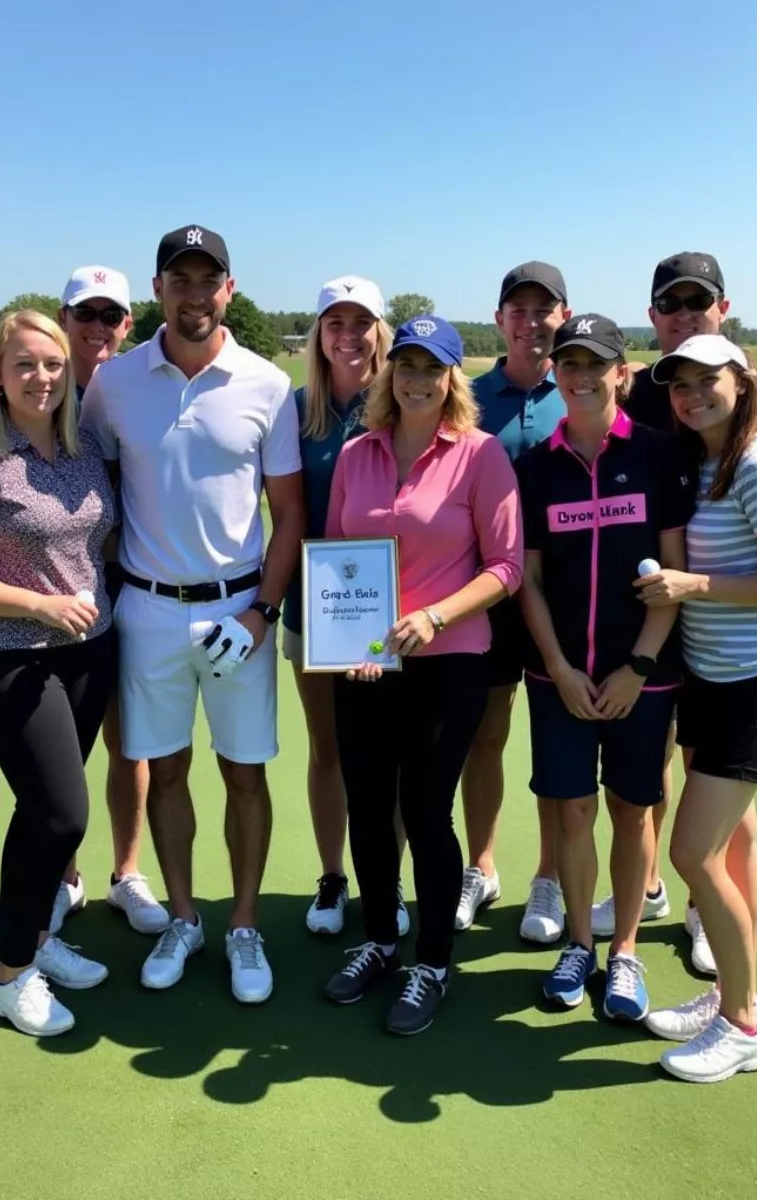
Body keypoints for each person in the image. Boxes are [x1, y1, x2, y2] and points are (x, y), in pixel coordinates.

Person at [80, 224, 305, 1004]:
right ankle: (183, 915)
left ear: (229, 291)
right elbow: (92, 493)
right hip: (145, 609)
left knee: (245, 774)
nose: (194, 293)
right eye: (180, 279)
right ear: (158, 290)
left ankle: (242, 923)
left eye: (208, 280)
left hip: (238, 609)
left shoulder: (267, 385)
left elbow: (290, 516)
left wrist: (263, 613)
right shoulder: (114, 384)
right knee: (163, 771)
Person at [596, 252, 757, 971]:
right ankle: (658, 889)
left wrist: (711, 574)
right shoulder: (643, 399)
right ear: (654, 315)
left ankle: (714, 929)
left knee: (722, 808)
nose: (686, 313)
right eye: (672, 303)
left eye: (700, 301)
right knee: (658, 775)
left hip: (740, 649)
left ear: (723, 310)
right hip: (676, 641)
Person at [320, 315, 521, 1035]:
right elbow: (339, 559)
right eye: (404, 365)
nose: (414, 380)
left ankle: (431, 962)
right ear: (388, 373)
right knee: (369, 807)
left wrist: (434, 616)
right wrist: (347, 640)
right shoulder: (357, 454)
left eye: (430, 368)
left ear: (450, 379)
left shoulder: (481, 455)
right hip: (368, 664)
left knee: (427, 812)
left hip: (449, 661)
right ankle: (378, 938)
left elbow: (506, 567)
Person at [0, 310, 117, 1038]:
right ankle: (8, 979)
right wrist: (40, 605)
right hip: (11, 657)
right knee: (62, 812)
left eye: (54, 364)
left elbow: (100, 539)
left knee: (43, 816)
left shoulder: (82, 445)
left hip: (88, 651)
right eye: (26, 365)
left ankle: (33, 941)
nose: (43, 377)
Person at [638, 335, 757, 1082]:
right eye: (678, 385)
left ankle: (745, 1025)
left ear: (742, 384)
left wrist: (695, 589)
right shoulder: (708, 462)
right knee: (718, 850)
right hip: (712, 680)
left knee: (693, 854)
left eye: (706, 380)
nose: (690, 395)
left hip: (755, 684)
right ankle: (729, 996)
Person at [515, 314, 693, 1022]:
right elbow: (526, 578)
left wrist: (638, 668)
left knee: (630, 808)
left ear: (624, 372)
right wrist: (557, 665)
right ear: (555, 373)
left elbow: (674, 571)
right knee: (572, 810)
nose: (581, 378)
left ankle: (624, 950)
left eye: (597, 365)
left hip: (641, 675)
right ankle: (579, 947)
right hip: (557, 675)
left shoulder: (656, 455)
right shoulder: (534, 467)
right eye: (569, 365)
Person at [282, 276, 408, 938]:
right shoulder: (296, 410)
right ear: (319, 334)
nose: (349, 336)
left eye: (362, 323)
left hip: (392, 612)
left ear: (380, 332)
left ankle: (387, 881)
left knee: (389, 752)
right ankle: (334, 877)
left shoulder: (404, 404)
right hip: (317, 608)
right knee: (327, 748)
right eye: (336, 322)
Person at [460, 262, 572, 944]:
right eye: (518, 310)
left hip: (571, 598)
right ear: (500, 319)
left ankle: (551, 877)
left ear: (564, 314)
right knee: (486, 735)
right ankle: (481, 866)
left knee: (558, 740)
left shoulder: (588, 387)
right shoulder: (468, 397)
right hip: (491, 598)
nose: (532, 322)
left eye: (544, 309)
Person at [53, 267, 167, 937]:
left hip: (134, 583)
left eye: (110, 316)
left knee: (133, 743)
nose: (97, 328)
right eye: (84, 314)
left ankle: (127, 872)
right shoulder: (38, 386)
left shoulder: (135, 387)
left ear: (128, 323)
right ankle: (65, 876)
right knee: (63, 745)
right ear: (64, 317)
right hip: (60, 593)